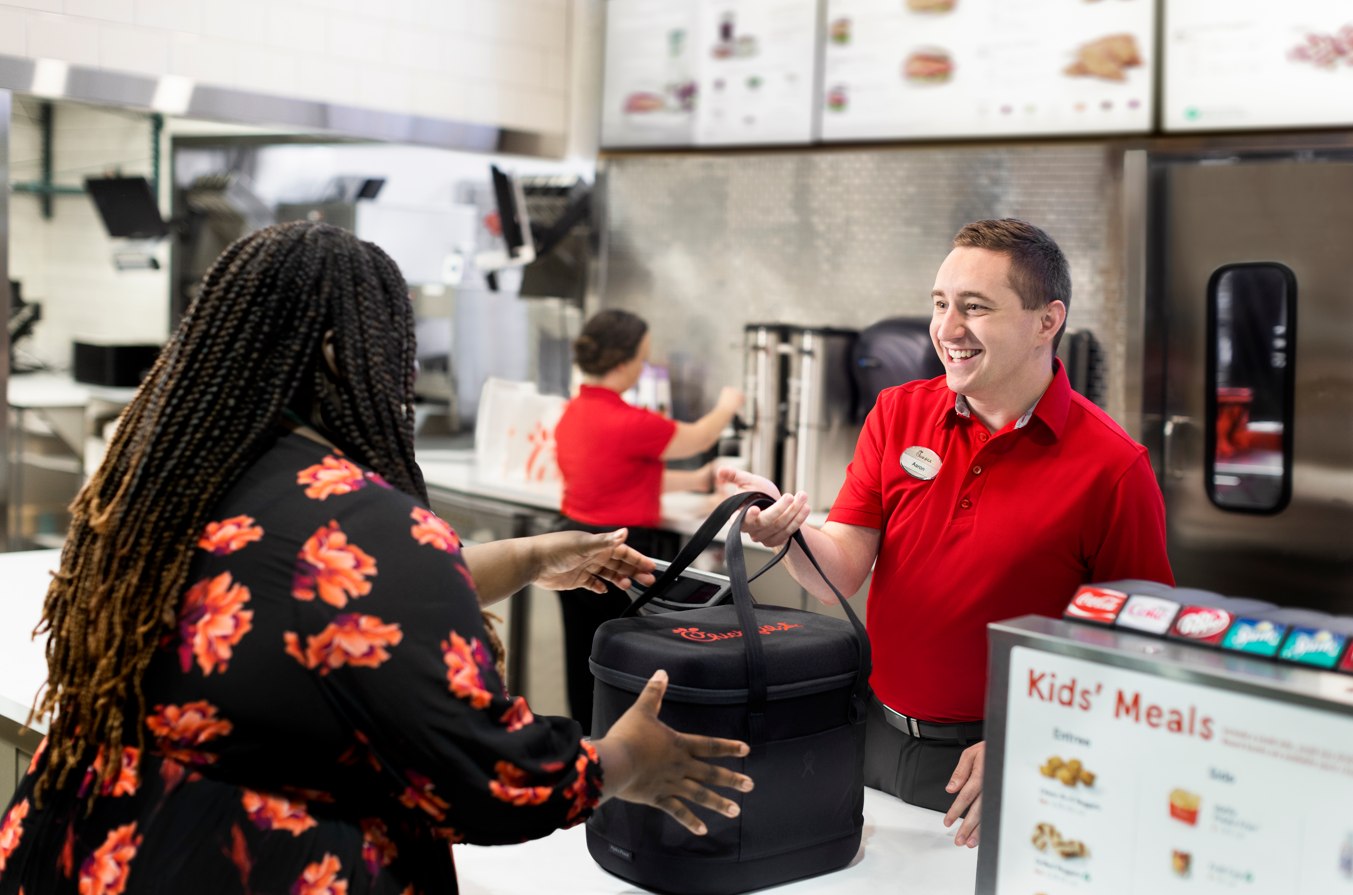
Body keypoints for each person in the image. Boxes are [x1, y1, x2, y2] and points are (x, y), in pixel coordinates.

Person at [0, 222, 752, 895]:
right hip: (258, 863)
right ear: (342, 351)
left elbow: (295, 601)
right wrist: (622, 760)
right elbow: (486, 778)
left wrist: (523, 557)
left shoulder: (163, 477)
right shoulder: (366, 523)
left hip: (90, 844)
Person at [718, 218, 1173, 849]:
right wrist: (784, 530)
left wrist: (1033, 738)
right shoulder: (897, 412)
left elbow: (1137, 650)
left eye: (976, 308)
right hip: (873, 736)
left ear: (1048, 320)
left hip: (999, 766)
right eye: (940, 304)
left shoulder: (1113, 468)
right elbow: (843, 569)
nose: (948, 329)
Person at [553, 309, 744, 732]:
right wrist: (728, 405)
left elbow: (619, 472)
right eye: (641, 359)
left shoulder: (575, 413)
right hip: (623, 555)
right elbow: (700, 437)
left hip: (572, 545)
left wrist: (696, 480)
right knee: (628, 668)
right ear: (622, 363)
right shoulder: (628, 421)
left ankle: (588, 749)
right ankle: (628, 751)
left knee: (585, 662)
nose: (642, 368)